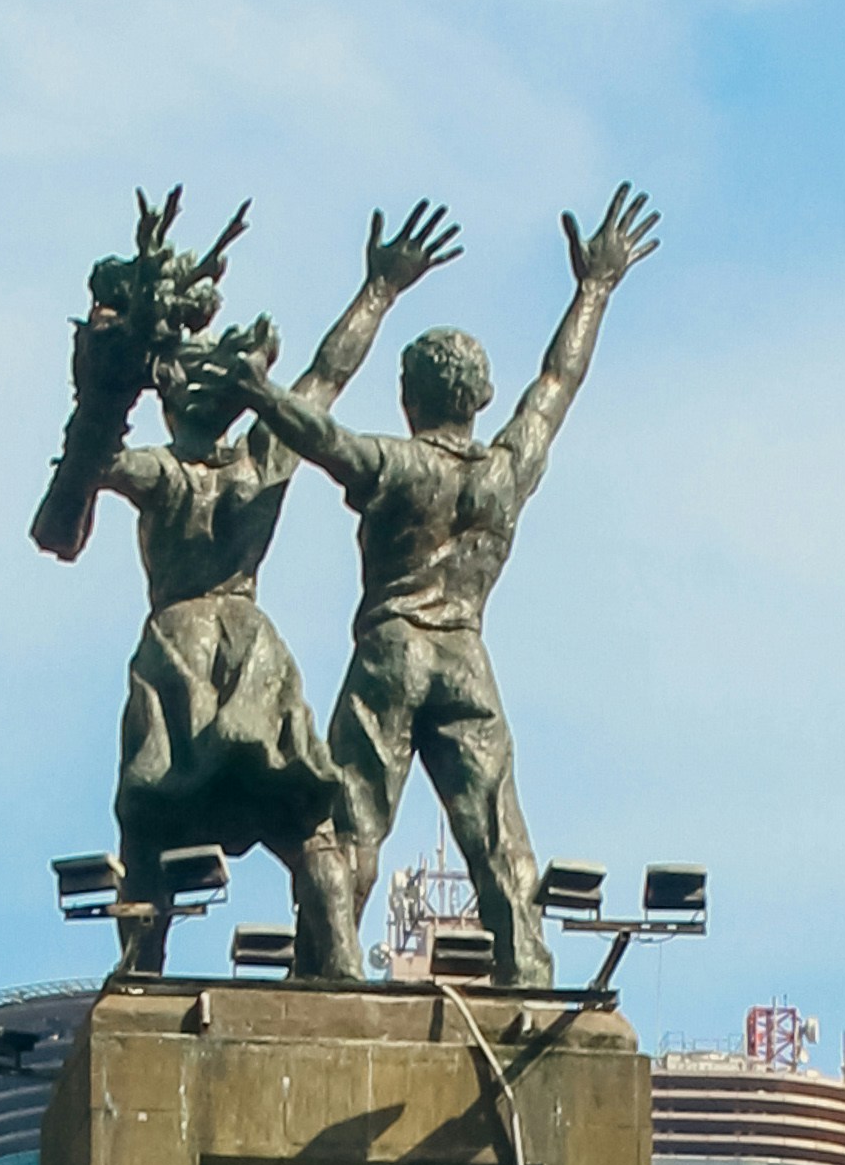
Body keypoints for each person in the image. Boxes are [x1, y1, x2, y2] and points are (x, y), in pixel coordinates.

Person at [227, 182, 658, 989]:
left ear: (408, 395)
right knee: (495, 824)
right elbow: (558, 385)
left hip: (393, 645)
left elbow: (317, 433)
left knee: (355, 816)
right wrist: (594, 290)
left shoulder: (398, 467)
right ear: (482, 399)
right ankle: (525, 964)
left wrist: (262, 389)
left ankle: (327, 964)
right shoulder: (503, 474)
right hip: (465, 652)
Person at [33, 197, 464, 972]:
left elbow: (65, 512)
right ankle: (335, 960)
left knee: (150, 814)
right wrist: (380, 290)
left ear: (169, 398)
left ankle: (141, 961)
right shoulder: (261, 458)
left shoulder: (162, 473)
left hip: (179, 648)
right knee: (304, 822)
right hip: (253, 643)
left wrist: (97, 401)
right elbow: (328, 375)